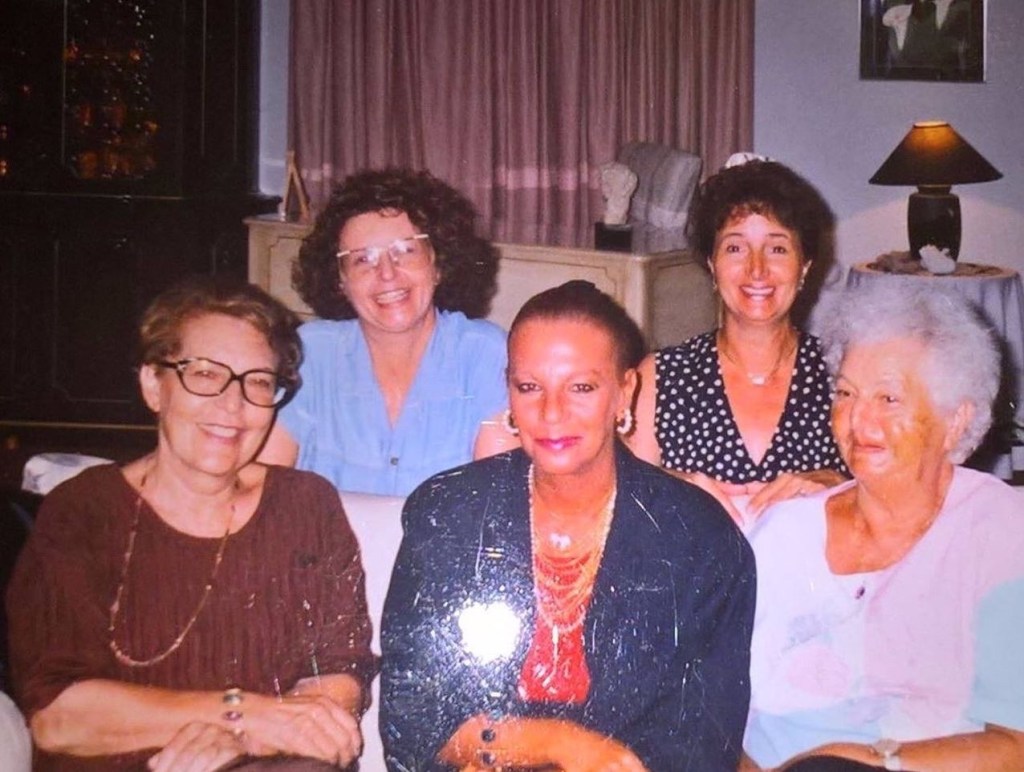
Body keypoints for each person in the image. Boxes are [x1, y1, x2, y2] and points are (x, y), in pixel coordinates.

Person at [380, 280, 755, 771]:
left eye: (581, 387)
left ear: (624, 392)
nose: (551, 412)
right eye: (529, 387)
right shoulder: (448, 512)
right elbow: (409, 722)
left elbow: (703, 746)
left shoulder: (699, 538)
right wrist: (558, 744)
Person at [6, 277, 377, 771]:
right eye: (205, 374)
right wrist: (239, 716)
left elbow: (339, 669)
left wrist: (247, 741)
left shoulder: (306, 505)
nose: (233, 405)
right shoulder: (84, 511)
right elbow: (58, 716)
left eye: (258, 382)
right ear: (153, 385)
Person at [742, 283, 1024, 771]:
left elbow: (1015, 744)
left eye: (888, 398)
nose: (858, 418)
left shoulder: (999, 531)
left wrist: (870, 759)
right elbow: (716, 704)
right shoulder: (784, 531)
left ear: (956, 420)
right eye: (846, 393)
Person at [260, 168, 509, 496]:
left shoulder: (485, 354)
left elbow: (495, 501)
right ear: (340, 281)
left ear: (437, 264)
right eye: (363, 260)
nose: (387, 273)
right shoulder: (312, 354)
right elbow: (263, 491)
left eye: (405, 250)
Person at [630, 158, 847, 526]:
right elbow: (624, 502)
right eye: (735, 248)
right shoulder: (660, 376)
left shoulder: (842, 374)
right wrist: (675, 487)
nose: (756, 269)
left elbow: (892, 501)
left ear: (805, 266)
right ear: (712, 265)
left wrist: (838, 486)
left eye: (777, 248)